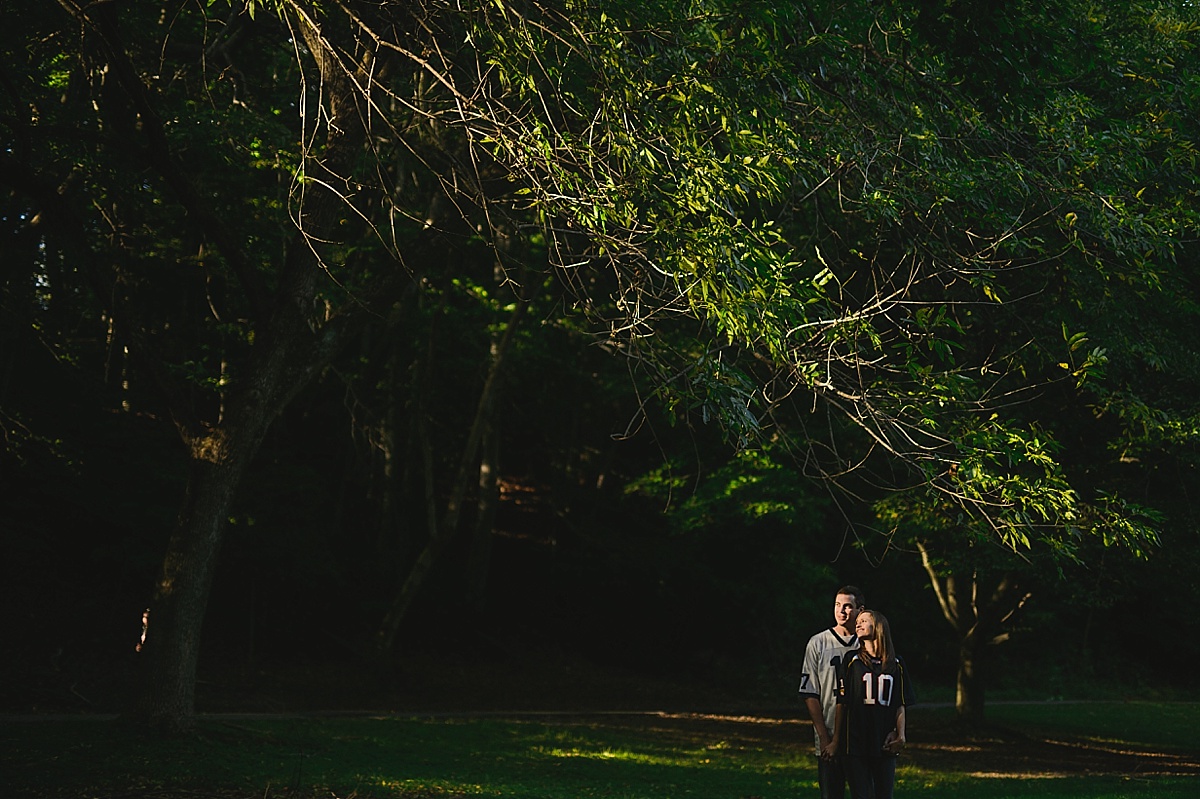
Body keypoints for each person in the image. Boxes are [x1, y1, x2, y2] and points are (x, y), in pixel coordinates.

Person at [831, 609, 915, 799]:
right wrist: (837, 740)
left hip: (883, 740)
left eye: (864, 620)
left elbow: (900, 703)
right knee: (861, 794)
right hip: (855, 741)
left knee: (884, 794)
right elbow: (842, 703)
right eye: (857, 621)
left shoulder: (896, 664)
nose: (858, 624)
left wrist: (900, 735)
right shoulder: (852, 661)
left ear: (878, 626)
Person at [799, 585, 866, 799]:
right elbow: (810, 693)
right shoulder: (818, 643)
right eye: (838, 605)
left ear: (860, 610)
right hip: (828, 733)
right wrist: (823, 736)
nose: (841, 611)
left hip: (862, 737)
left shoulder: (869, 643)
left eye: (848, 606)